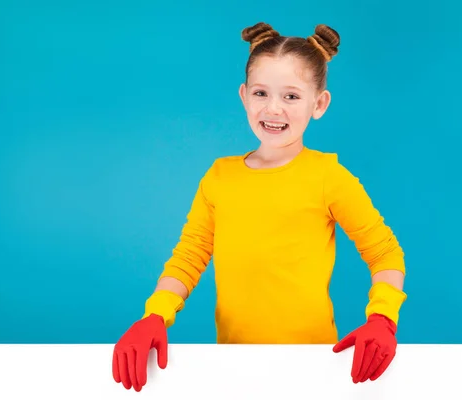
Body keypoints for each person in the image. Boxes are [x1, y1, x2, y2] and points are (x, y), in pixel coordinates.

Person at [112, 22, 407, 392]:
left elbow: (384, 253)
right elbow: (190, 257)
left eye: (291, 96)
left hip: (314, 366)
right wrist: (154, 315)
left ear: (319, 104)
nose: (273, 108)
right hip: (235, 366)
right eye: (261, 92)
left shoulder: (328, 177)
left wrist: (383, 318)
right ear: (243, 96)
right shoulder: (219, 177)